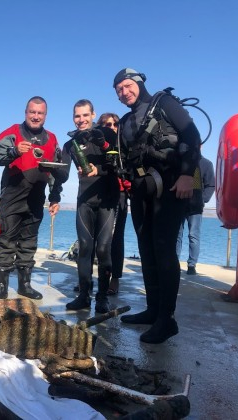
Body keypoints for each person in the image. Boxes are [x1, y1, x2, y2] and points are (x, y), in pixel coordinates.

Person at [113, 68, 201, 343]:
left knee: (164, 250)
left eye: (127, 86)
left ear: (139, 83)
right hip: (141, 191)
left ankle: (167, 319)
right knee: (146, 249)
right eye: (118, 90)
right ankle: (153, 310)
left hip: (171, 187)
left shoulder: (164, 103)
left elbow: (192, 136)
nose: (123, 92)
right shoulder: (126, 120)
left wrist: (187, 174)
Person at [0, 96, 66, 300]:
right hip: (12, 195)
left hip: (35, 198)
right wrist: (15, 151)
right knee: (6, 240)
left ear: (45, 115)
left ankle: (24, 284)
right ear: (26, 113)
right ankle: (1, 286)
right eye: (32, 112)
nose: (36, 116)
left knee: (29, 242)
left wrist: (55, 197)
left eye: (40, 113)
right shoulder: (13, 132)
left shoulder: (51, 139)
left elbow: (55, 170)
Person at [62, 101, 119, 313]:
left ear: (93, 115)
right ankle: (84, 295)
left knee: (103, 248)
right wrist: (50, 173)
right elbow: (62, 173)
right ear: (73, 117)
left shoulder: (107, 135)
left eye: (85, 115)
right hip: (84, 200)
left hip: (107, 199)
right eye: (77, 116)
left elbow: (119, 164)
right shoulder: (71, 144)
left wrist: (100, 170)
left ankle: (102, 297)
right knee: (85, 248)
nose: (81, 119)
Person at [97, 112, 127, 295]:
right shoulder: (96, 144)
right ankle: (93, 278)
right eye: (107, 124)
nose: (112, 127)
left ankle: (114, 278)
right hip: (100, 193)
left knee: (115, 238)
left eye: (115, 124)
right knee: (98, 239)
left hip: (120, 194)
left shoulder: (124, 145)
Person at [176, 152, 215, 275]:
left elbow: (211, 185)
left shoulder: (206, 164)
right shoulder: (180, 162)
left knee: (193, 235)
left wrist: (202, 199)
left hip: (196, 206)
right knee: (177, 235)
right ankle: (175, 262)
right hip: (180, 203)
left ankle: (191, 265)